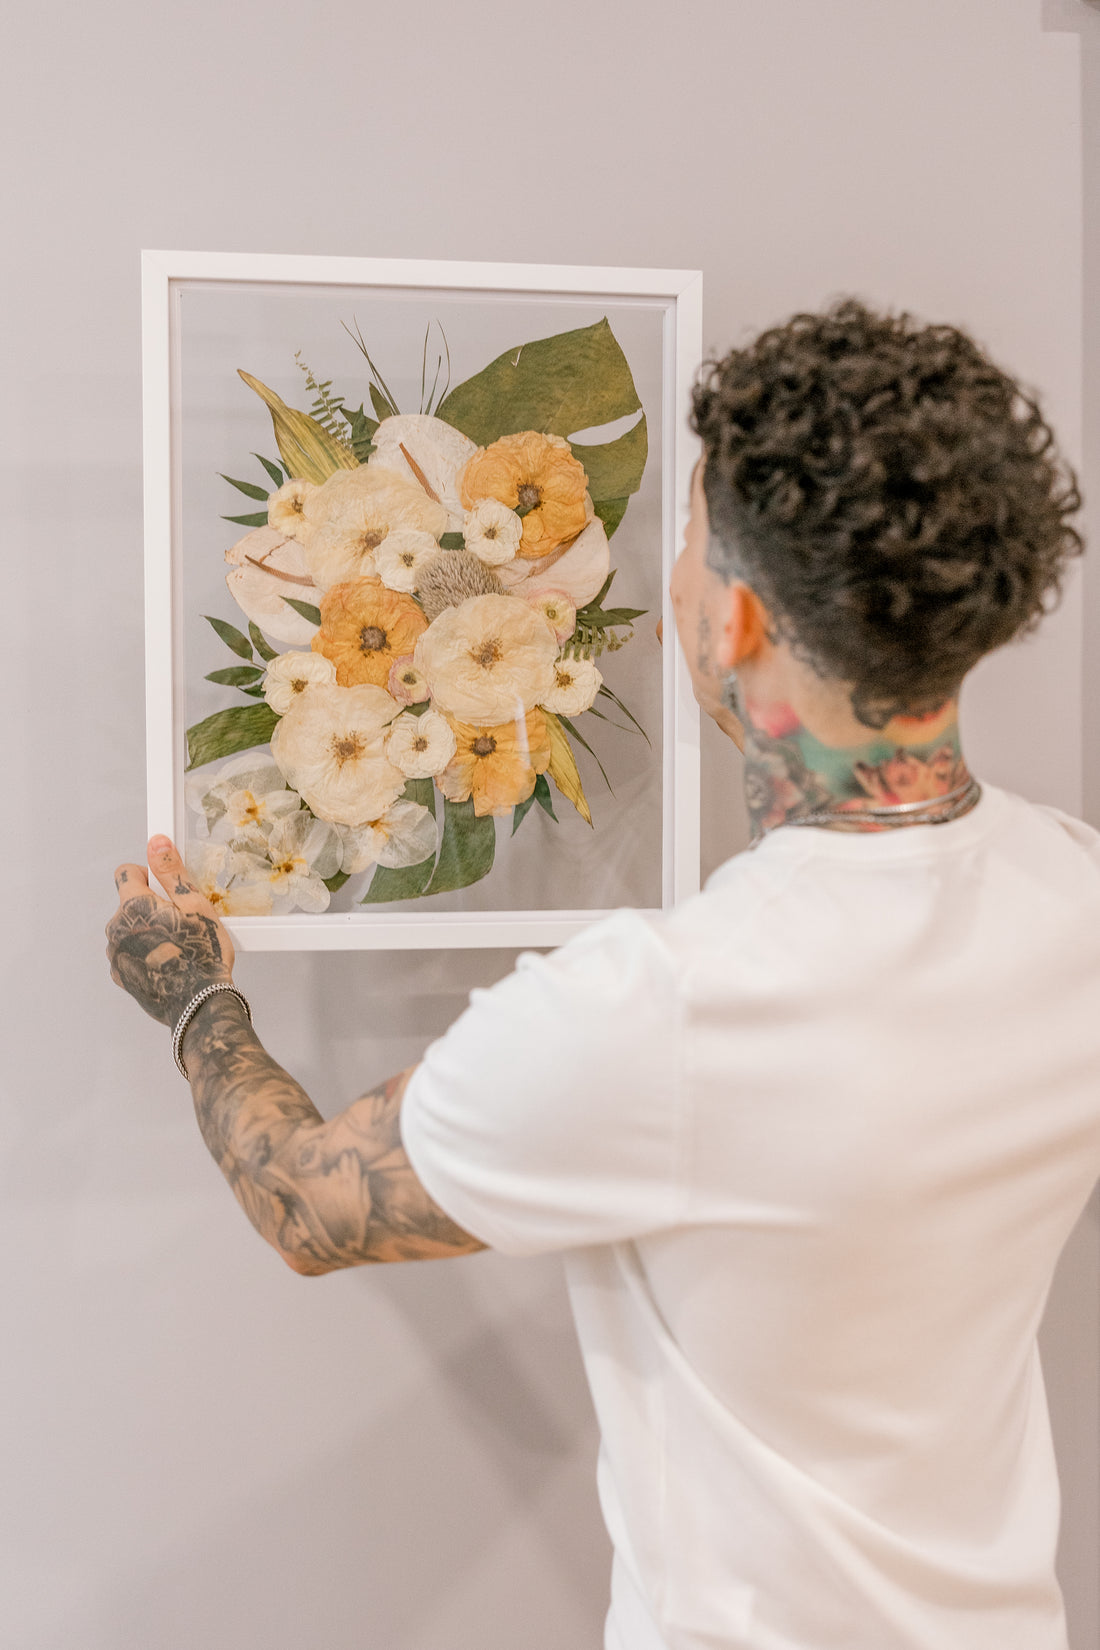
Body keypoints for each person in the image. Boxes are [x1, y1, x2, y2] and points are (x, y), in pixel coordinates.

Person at [106, 297, 1100, 1650]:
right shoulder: (1078, 898)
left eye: (683, 539)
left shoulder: (656, 1014)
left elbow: (306, 1203)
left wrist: (193, 996)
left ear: (736, 619)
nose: (665, 577)